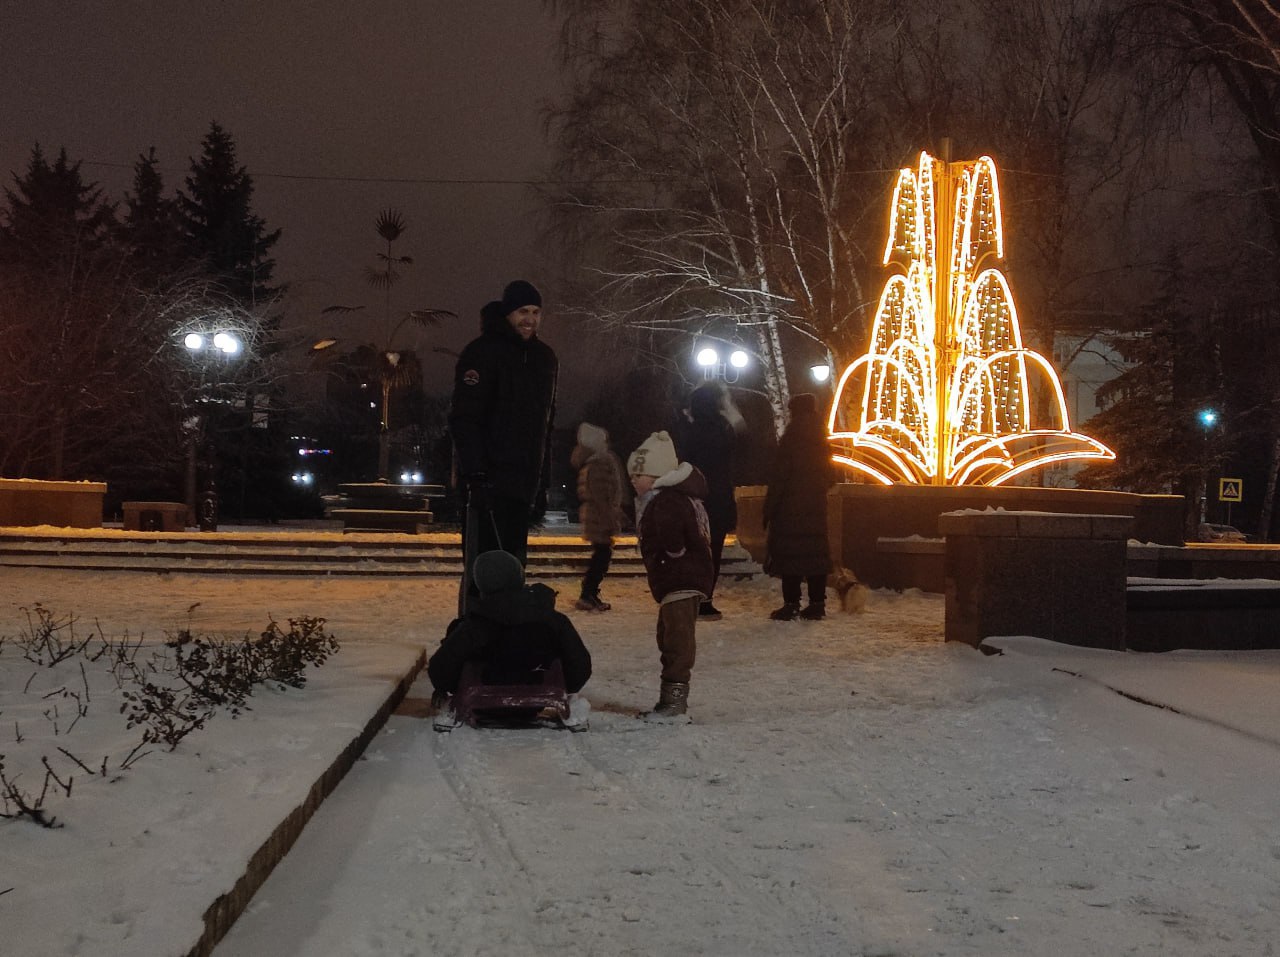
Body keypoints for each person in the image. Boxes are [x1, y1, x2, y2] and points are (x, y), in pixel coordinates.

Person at [448, 280, 558, 578]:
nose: (530, 319)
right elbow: (464, 418)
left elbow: (546, 425)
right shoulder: (481, 352)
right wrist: (475, 475)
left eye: (536, 312)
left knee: (513, 573)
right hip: (487, 485)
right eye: (523, 311)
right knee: (483, 572)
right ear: (508, 313)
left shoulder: (545, 358)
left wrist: (543, 483)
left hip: (523, 486)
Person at [627, 430, 714, 718]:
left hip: (680, 578)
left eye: (637, 475)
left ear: (656, 476)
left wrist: (674, 553)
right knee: (669, 635)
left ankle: (674, 702)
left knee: (676, 639)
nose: (633, 481)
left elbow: (671, 533)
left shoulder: (665, 501)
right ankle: (671, 698)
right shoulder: (673, 498)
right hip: (679, 579)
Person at [427, 549, 592, 700]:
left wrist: (452, 687)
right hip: (538, 693)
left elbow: (441, 671)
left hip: (483, 699)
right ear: (518, 577)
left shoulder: (473, 626)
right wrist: (565, 684)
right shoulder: (553, 621)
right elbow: (579, 665)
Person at [763, 392, 838, 621]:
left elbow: (779, 478)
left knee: (791, 555)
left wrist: (769, 509)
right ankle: (817, 604)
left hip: (790, 510)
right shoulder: (821, 440)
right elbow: (831, 477)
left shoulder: (791, 439)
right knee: (815, 555)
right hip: (815, 509)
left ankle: (791, 603)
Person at [673, 382, 740, 621]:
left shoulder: (689, 431)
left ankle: (690, 596)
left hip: (692, 498)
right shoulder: (722, 430)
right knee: (713, 551)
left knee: (694, 550)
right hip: (717, 499)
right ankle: (705, 599)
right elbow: (737, 455)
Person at [570, 421, 624, 611]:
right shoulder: (600, 464)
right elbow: (602, 494)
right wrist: (611, 516)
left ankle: (590, 593)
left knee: (601, 555)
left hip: (596, 515)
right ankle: (588, 594)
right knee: (602, 557)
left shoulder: (591, 463)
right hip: (600, 517)